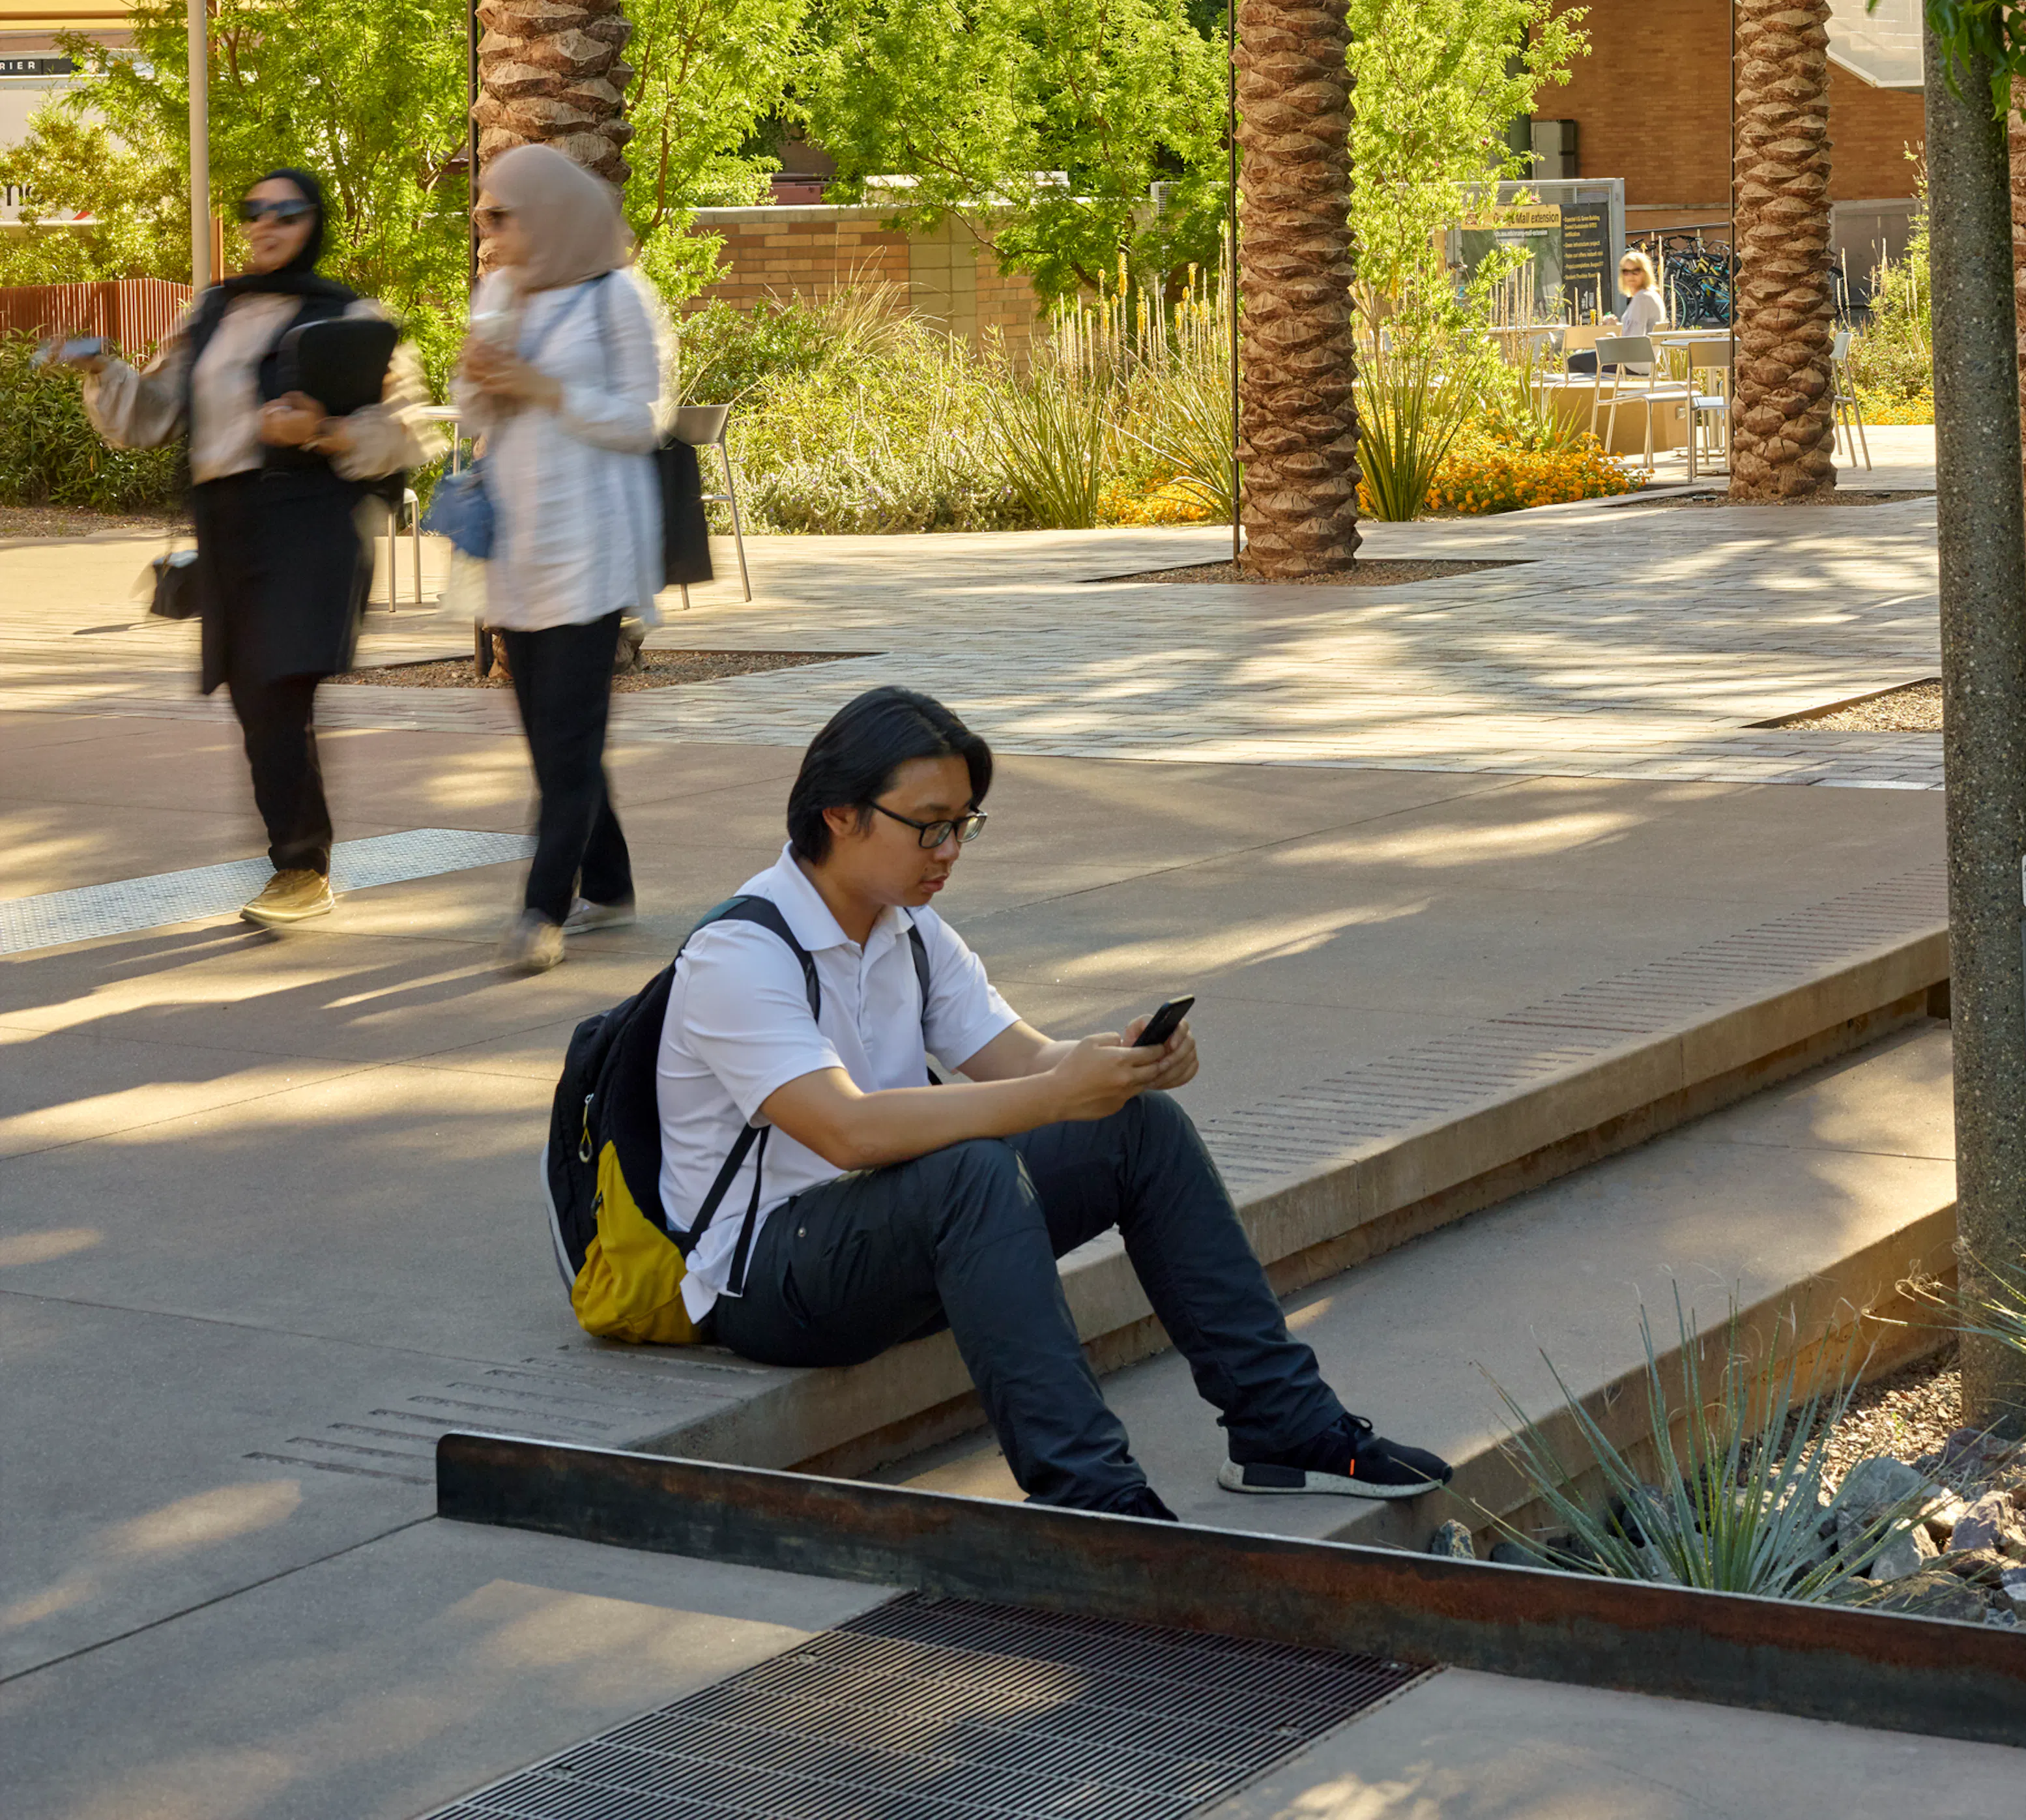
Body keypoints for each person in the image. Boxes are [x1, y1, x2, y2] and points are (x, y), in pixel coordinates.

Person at [660, 686, 1454, 1523]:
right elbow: (846, 1129)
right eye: (929, 824)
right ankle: (1094, 1501)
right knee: (967, 1170)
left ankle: (1286, 1430)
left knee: (1132, 1128)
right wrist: (1050, 1091)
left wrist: (1119, 1067)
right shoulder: (741, 952)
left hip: (896, 1239)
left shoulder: (909, 929)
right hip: (769, 1278)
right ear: (840, 815)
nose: (950, 850)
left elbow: (1027, 1059)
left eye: (965, 824)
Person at [57, 167, 429, 931]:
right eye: (253, 210)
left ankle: (301, 868)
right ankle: (301, 864)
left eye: (286, 211)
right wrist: (101, 365)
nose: (266, 223)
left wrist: (320, 429)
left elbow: (402, 436)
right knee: (253, 695)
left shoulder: (353, 317)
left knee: (275, 689)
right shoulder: (213, 313)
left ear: (313, 221)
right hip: (227, 522)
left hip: (308, 523)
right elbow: (153, 417)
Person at [456, 143, 674, 979]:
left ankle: (542, 909)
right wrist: (484, 379)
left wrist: (545, 388)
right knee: (553, 737)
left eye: (502, 214)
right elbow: (476, 407)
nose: (489, 229)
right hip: (517, 546)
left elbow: (644, 418)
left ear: (548, 213)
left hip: (591, 547)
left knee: (570, 737)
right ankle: (609, 880)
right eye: (485, 213)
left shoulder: (619, 295)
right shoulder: (501, 293)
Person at [1567, 248, 1668, 377]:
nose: (1630, 276)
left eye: (1636, 271)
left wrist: (1612, 333)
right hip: (1646, 364)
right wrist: (1619, 327)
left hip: (1631, 364)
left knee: (1574, 361)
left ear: (1645, 273)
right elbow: (1638, 332)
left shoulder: (1642, 299)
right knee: (1587, 358)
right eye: (1626, 272)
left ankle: (1598, 395)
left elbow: (1633, 341)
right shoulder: (1652, 296)